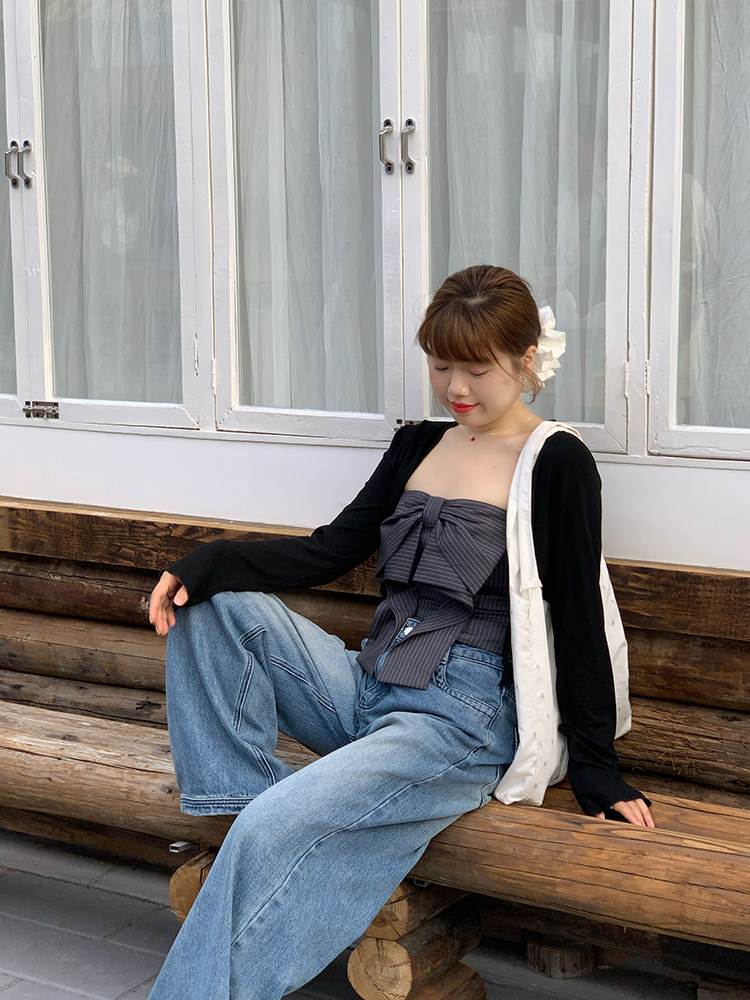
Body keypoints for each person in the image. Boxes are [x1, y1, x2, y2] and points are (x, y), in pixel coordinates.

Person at [147, 265, 653, 1000]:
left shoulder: (556, 462)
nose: (456, 387)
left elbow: (578, 615)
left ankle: (260, 859)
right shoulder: (418, 445)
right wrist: (209, 561)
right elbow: (328, 551)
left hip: (457, 723)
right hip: (367, 687)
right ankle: (247, 809)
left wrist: (598, 768)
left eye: (476, 368)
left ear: (525, 360)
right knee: (215, 608)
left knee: (272, 830)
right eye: (441, 365)